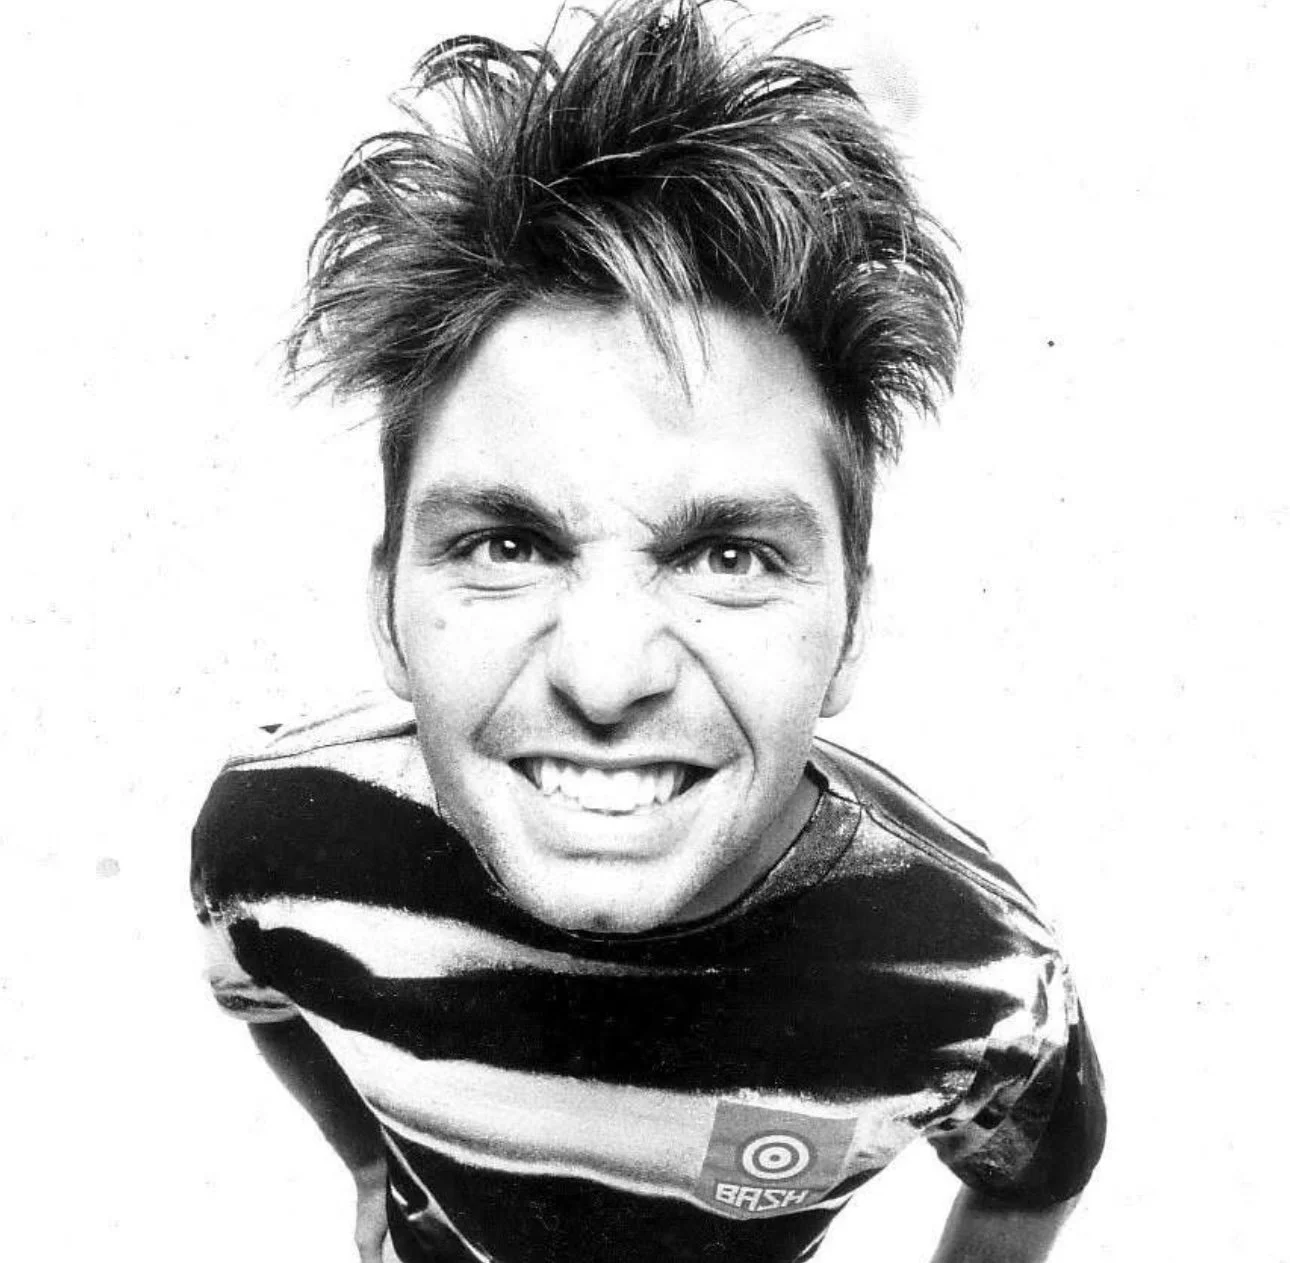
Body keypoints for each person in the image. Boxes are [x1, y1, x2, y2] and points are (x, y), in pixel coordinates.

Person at [190, 3, 1106, 1260]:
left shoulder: (976, 977)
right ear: (387, 607)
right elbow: (265, 992)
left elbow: (1034, 1176)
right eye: (506, 545)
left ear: (850, 629)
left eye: (729, 555)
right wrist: (366, 1164)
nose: (607, 676)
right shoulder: (275, 842)